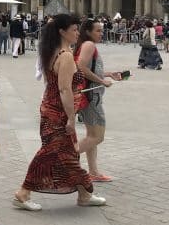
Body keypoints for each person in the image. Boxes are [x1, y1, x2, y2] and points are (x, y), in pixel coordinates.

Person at [14, 14, 106, 210]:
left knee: (69, 154)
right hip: (58, 112)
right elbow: (64, 90)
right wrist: (71, 118)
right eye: (73, 29)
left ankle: (83, 194)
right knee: (50, 153)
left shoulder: (53, 51)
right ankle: (23, 192)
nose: (77, 33)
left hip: (50, 107)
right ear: (62, 32)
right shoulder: (64, 56)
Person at [74, 20, 122, 183]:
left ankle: (93, 172)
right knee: (98, 137)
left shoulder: (85, 44)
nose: (101, 33)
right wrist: (102, 82)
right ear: (88, 32)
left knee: (91, 135)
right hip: (91, 96)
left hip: (89, 94)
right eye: (98, 31)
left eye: (102, 31)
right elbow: (81, 67)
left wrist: (107, 74)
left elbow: (90, 68)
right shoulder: (89, 45)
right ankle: (61, 158)